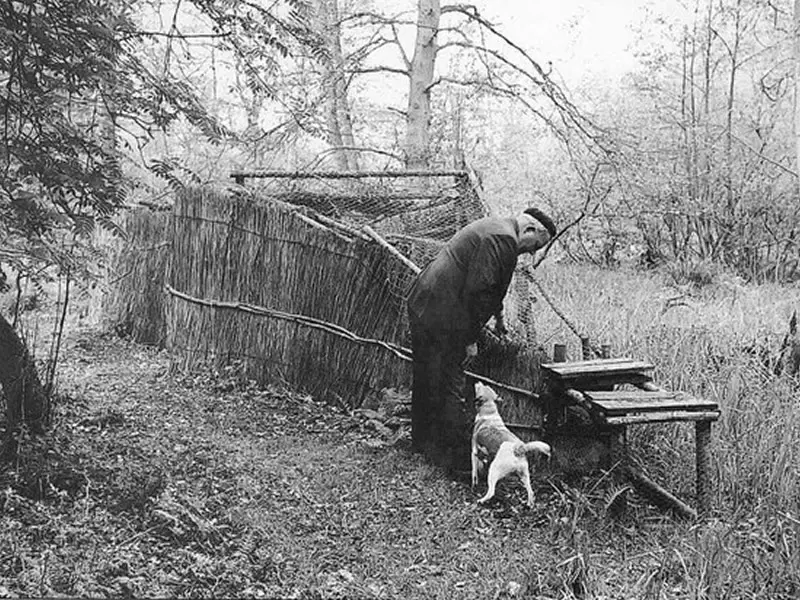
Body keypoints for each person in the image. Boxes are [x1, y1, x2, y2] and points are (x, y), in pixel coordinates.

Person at [406, 207, 556, 472]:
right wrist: (470, 338)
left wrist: (498, 319)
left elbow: (490, 282)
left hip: (425, 302)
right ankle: (453, 461)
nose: (531, 253)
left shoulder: (496, 227)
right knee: (450, 380)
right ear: (531, 229)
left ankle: (422, 443)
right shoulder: (503, 239)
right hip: (443, 312)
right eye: (535, 246)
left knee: (427, 374)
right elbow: (479, 291)